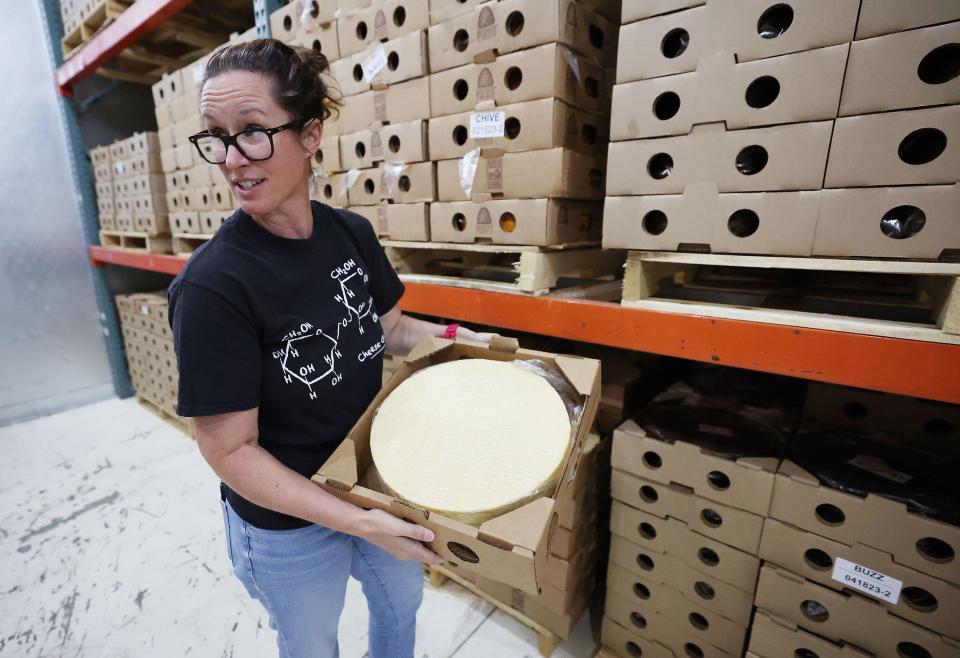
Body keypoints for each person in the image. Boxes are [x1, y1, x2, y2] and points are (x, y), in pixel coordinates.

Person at [167, 39, 495, 658]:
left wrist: (458, 342)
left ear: (311, 134)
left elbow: (391, 329)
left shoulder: (351, 233)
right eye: (216, 136)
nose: (232, 160)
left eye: (253, 132)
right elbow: (229, 449)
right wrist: (358, 523)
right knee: (311, 644)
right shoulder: (214, 286)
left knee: (401, 609)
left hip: (375, 479)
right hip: (287, 525)